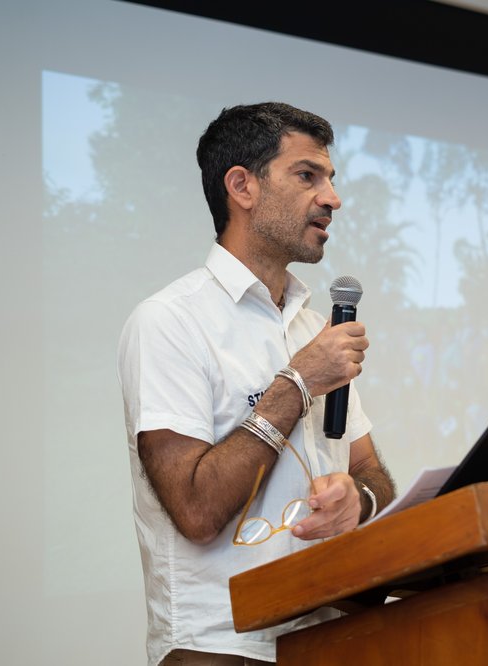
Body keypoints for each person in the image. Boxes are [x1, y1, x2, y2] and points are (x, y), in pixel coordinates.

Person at [117, 102, 395, 666]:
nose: (332, 198)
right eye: (306, 175)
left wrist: (358, 503)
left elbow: (371, 473)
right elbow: (195, 510)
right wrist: (297, 381)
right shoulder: (170, 321)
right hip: (220, 647)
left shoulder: (316, 325)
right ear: (242, 187)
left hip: (331, 636)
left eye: (331, 180)